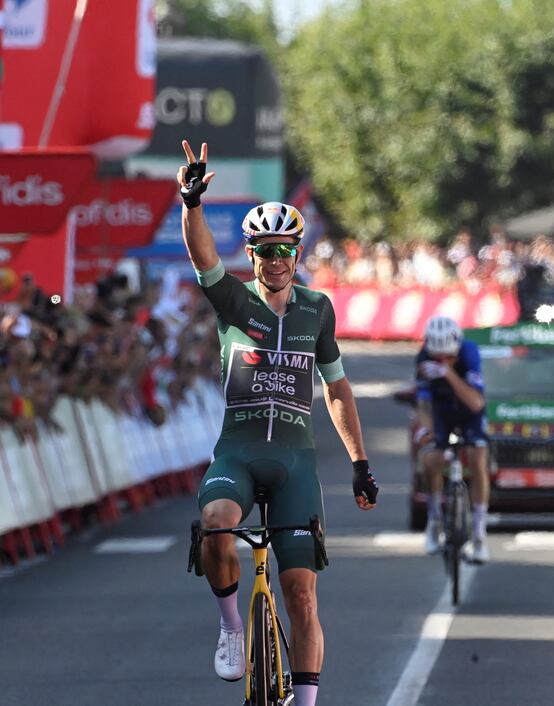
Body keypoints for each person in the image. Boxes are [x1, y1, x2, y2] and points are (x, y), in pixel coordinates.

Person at [178, 140, 378, 706]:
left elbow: (336, 388)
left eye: (284, 249)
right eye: (264, 250)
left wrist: (360, 465)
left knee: (303, 597)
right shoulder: (235, 303)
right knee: (216, 524)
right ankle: (231, 628)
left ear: (297, 251)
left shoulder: (318, 310)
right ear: (252, 253)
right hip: (238, 452)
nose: (274, 259)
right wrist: (191, 203)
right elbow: (201, 257)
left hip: (295, 464)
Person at [414, 315, 491, 563]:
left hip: (468, 410)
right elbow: (424, 405)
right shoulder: (423, 357)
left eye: (448, 357)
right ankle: (435, 520)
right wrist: (426, 431)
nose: (442, 361)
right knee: (431, 460)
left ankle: (479, 533)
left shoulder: (469, 354)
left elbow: (476, 403)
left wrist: (448, 374)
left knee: (478, 458)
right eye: (438, 358)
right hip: (441, 410)